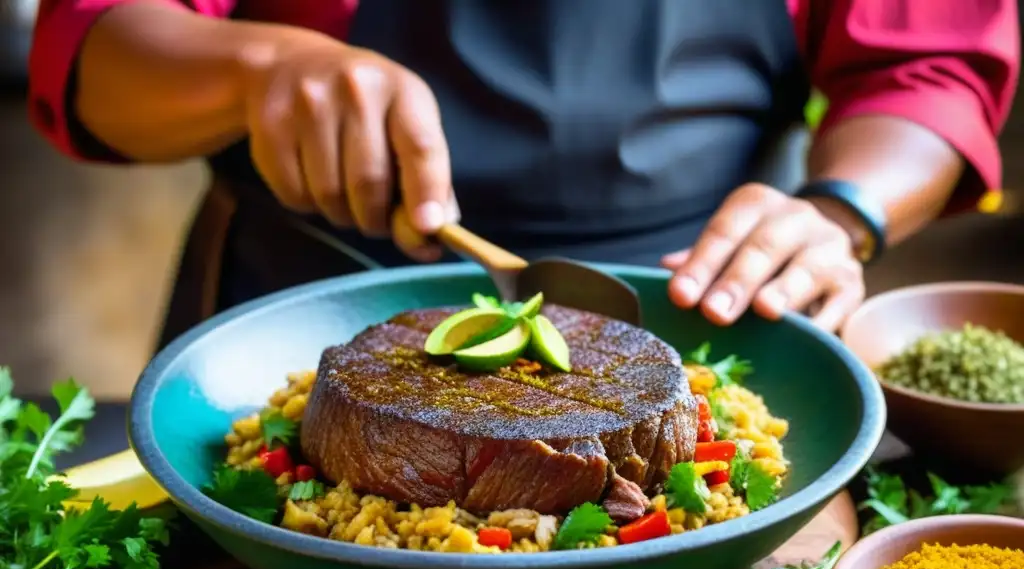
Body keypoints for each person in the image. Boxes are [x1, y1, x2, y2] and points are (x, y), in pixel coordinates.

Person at [28, 1, 1019, 349]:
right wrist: (259, 70)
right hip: (301, 302)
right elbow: (91, 45)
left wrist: (838, 207)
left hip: (707, 313)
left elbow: (923, 62)